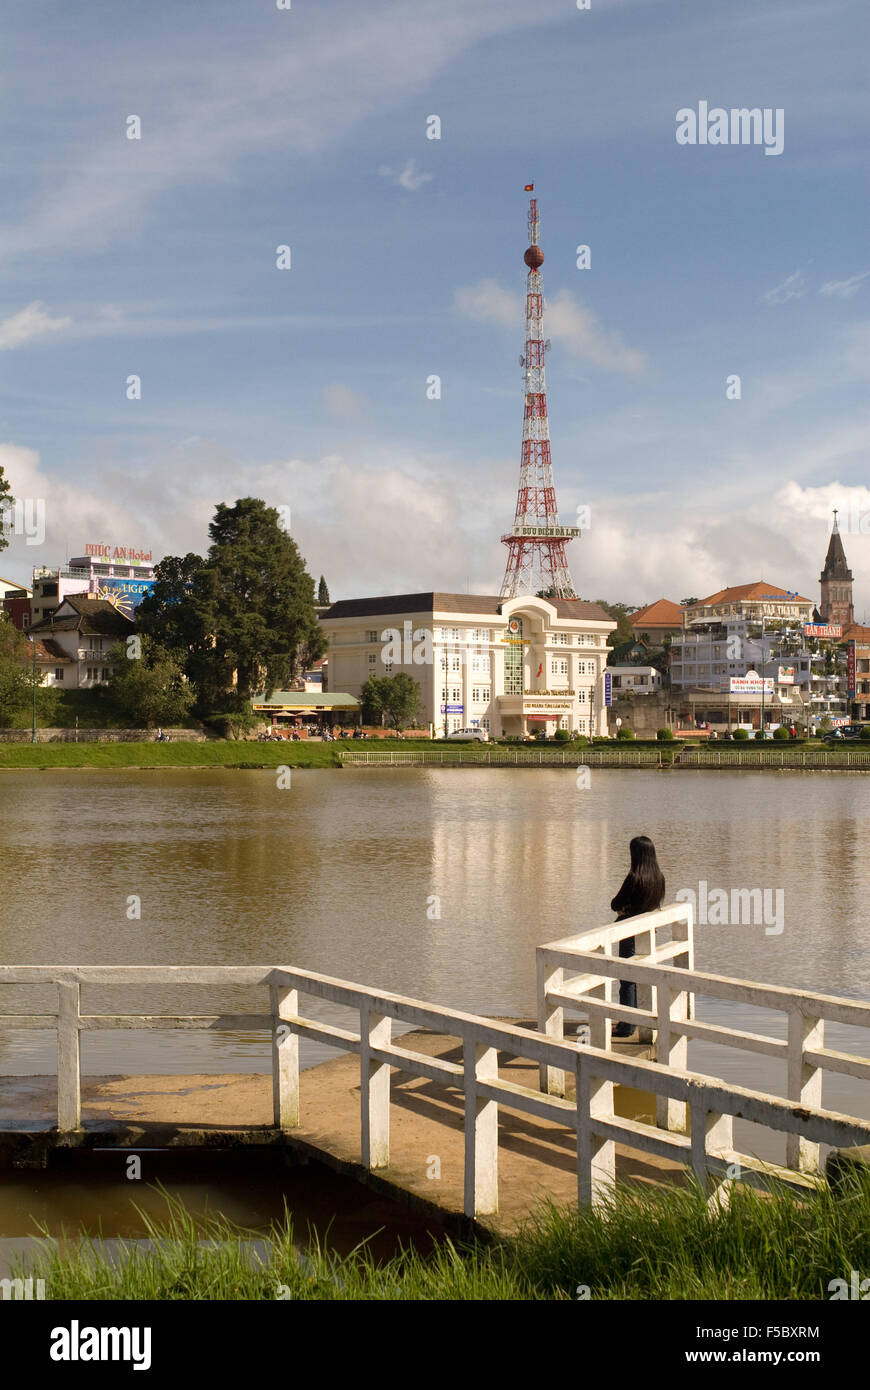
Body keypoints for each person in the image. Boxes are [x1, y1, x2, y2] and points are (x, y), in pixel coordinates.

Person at [609, 835, 666, 1039]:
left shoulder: (634, 877)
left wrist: (623, 909)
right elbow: (655, 905)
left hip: (630, 931)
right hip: (647, 932)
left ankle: (627, 1024)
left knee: (627, 977)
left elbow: (615, 904)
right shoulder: (659, 878)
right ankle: (639, 1018)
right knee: (642, 976)